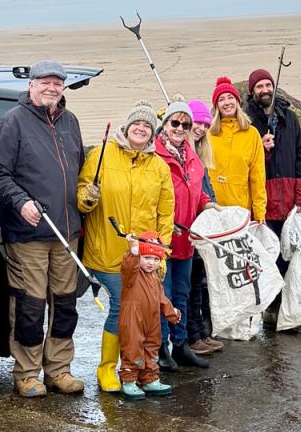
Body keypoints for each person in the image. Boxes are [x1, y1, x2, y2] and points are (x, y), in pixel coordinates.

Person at [0, 60, 85, 398]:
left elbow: (80, 171)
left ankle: (58, 369)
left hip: (68, 232)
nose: (51, 87)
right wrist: (20, 201)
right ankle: (27, 374)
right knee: (30, 306)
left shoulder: (70, 122)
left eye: (57, 83)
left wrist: (87, 195)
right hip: (28, 233)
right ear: (31, 86)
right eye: (44, 82)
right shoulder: (12, 122)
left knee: (65, 304)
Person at [78, 101, 174, 392]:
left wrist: (162, 253)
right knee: (123, 307)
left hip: (144, 256)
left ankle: (140, 372)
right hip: (106, 252)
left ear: (152, 133)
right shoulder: (101, 154)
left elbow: (165, 213)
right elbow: (82, 196)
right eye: (137, 124)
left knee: (143, 313)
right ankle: (108, 369)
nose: (141, 128)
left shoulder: (158, 166)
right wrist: (88, 198)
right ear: (127, 126)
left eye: (147, 126)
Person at [154, 100, 218, 366]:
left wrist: (208, 204)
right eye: (175, 123)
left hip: (187, 240)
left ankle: (180, 345)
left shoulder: (192, 156)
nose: (180, 129)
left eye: (186, 124)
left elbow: (197, 191)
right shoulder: (155, 155)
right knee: (163, 296)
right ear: (165, 124)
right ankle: (161, 349)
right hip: (163, 239)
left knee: (182, 293)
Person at [243, 68, 301, 323]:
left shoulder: (290, 118)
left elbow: (300, 158)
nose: (264, 90)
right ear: (252, 91)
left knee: (288, 255)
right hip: (264, 199)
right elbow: (247, 163)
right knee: (265, 256)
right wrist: (262, 149)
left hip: (290, 199)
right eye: (259, 86)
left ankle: (286, 307)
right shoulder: (247, 121)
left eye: (267, 85)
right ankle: (268, 308)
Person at [118, 233, 181, 400]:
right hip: (132, 317)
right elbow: (128, 266)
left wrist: (171, 312)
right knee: (132, 347)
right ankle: (129, 380)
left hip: (152, 318)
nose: (150, 263)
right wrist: (134, 251)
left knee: (152, 345)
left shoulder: (155, 278)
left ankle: (150, 378)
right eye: (146, 258)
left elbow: (161, 298)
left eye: (155, 259)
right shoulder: (132, 275)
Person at [186, 99, 224, 355]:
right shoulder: (183, 156)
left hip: (201, 228)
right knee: (187, 286)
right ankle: (191, 337)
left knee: (198, 282)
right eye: (197, 122)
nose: (201, 128)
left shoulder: (199, 156)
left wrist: (212, 207)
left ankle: (201, 333)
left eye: (205, 125)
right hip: (187, 229)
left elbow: (205, 191)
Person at [206, 77, 267, 222]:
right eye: (221, 99)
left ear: (238, 102)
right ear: (216, 106)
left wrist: (259, 214)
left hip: (240, 210)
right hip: (212, 209)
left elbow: (258, 178)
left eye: (230, 97)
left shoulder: (252, 134)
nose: (227, 102)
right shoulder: (208, 134)